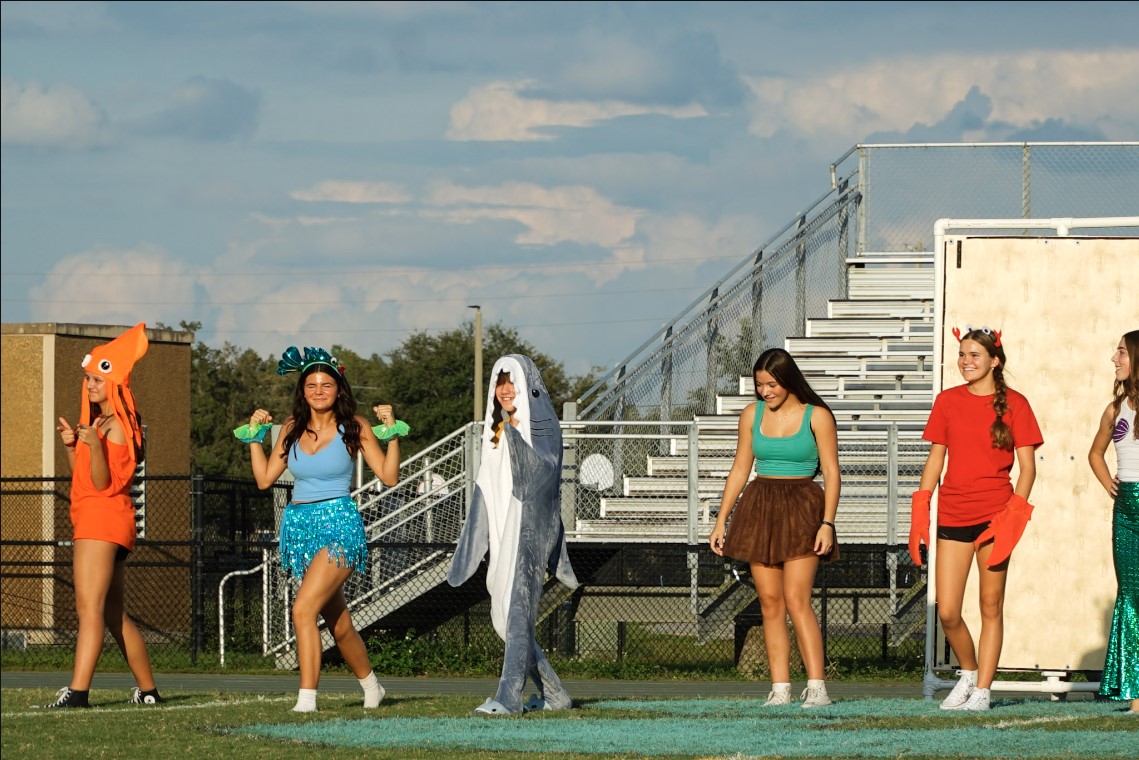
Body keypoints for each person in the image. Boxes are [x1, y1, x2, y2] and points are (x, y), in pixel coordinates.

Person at [243, 345, 401, 713]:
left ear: (339, 389)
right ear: (302, 391)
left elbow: (389, 476)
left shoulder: (355, 426)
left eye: (326, 384)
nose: (318, 390)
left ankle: (307, 699)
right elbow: (265, 479)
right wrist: (253, 438)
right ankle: (372, 687)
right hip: (300, 528)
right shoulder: (289, 428)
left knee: (303, 609)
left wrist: (392, 434)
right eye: (311, 385)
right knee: (339, 624)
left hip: (339, 526)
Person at [909, 326, 1043, 711]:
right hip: (953, 512)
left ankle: (983, 689)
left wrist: (1014, 514)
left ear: (994, 361)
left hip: (996, 516)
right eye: (962, 354)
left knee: (990, 605)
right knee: (947, 610)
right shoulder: (947, 401)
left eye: (975, 355)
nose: (966, 362)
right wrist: (922, 505)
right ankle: (968, 673)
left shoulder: (1016, 403)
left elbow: (1028, 468)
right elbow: (936, 456)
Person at [709, 348, 840, 709]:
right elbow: (739, 469)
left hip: (803, 508)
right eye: (760, 385)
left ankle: (817, 687)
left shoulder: (818, 417)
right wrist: (721, 520)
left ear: (788, 380)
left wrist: (827, 523)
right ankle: (779, 687)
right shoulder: (751, 415)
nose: (765, 391)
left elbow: (831, 472)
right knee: (769, 602)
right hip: (759, 506)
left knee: (798, 600)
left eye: (772, 384)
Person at [448, 356, 577, 715]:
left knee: (518, 616)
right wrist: (471, 547)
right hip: (504, 538)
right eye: (499, 382)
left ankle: (509, 697)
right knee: (504, 620)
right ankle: (555, 694)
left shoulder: (542, 432)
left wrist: (514, 433)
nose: (505, 389)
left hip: (529, 536)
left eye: (512, 381)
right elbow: (484, 491)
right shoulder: (494, 436)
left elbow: (542, 477)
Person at [44, 323, 164, 708]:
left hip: (100, 522)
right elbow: (82, 475)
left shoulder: (111, 426)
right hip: (111, 522)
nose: (89, 385)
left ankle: (78, 692)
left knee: (88, 610)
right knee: (112, 613)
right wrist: (73, 447)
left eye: (96, 379)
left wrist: (93, 444)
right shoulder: (111, 425)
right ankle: (148, 691)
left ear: (113, 383)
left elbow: (102, 482)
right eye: (88, 378)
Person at [1089, 329, 1139, 714]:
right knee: (1130, 595)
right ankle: (1133, 689)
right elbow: (1095, 454)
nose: (1114, 358)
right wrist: (1112, 487)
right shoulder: (1114, 408)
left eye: (1121, 351)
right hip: (1125, 510)